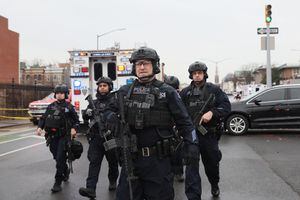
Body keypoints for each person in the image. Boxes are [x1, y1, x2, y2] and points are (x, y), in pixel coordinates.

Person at [116, 47, 199, 200]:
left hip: (158, 161)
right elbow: (111, 113)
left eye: (145, 63)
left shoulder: (167, 92)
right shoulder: (124, 91)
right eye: (138, 64)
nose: (141, 67)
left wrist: (192, 145)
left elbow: (185, 123)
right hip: (131, 159)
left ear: (154, 66)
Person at [180, 61, 231, 199]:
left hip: (208, 134)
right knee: (191, 168)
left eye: (199, 73)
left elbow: (226, 106)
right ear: (191, 75)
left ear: (204, 74)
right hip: (191, 135)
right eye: (194, 73)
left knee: (212, 164)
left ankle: (214, 184)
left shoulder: (214, 90)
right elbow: (178, 112)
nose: (197, 76)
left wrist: (212, 113)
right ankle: (193, 196)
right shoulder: (185, 93)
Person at [79, 77, 120, 199]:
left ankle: (112, 180)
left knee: (113, 162)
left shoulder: (115, 102)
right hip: (96, 138)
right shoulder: (94, 103)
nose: (102, 87)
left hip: (111, 137)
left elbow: (121, 117)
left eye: (105, 85)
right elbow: (85, 118)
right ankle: (91, 188)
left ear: (110, 87)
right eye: (100, 85)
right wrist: (87, 113)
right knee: (94, 162)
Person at [36, 84, 79, 193]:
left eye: (62, 93)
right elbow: (44, 118)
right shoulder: (51, 106)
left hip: (64, 136)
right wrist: (40, 127)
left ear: (65, 94)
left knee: (60, 157)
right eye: (58, 93)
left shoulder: (69, 107)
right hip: (52, 137)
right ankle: (65, 170)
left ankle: (57, 181)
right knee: (57, 157)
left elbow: (76, 120)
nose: (59, 95)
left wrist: (74, 128)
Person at [164, 75, 184, 182]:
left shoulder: (180, 96)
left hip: (176, 126)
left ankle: (179, 172)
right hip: (165, 126)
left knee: (177, 151)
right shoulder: (161, 95)